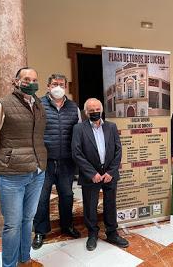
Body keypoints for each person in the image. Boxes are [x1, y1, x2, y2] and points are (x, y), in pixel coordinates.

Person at [0, 67, 46, 267]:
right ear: (16, 81)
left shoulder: (39, 104)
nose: (31, 82)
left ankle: (24, 259)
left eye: (34, 79)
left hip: (37, 172)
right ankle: (9, 265)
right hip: (12, 176)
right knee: (12, 225)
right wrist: (2, 157)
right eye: (26, 79)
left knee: (28, 220)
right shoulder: (1, 105)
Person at [32, 74, 82, 250]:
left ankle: (67, 225)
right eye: (54, 84)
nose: (58, 87)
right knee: (41, 198)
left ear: (66, 87)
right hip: (44, 162)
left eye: (61, 84)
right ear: (48, 86)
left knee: (67, 196)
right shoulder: (37, 104)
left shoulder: (73, 107)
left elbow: (79, 132)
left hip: (67, 162)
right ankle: (40, 231)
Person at [71, 98, 129, 251]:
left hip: (110, 174)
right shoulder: (79, 129)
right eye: (91, 110)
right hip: (91, 176)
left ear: (102, 110)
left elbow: (118, 150)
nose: (95, 112)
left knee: (110, 204)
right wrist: (91, 173)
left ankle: (112, 233)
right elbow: (76, 153)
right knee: (90, 206)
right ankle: (92, 234)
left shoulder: (111, 126)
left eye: (97, 109)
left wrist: (111, 171)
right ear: (85, 112)